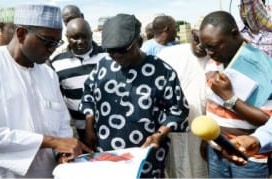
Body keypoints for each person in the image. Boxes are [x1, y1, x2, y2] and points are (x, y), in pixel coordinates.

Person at [0, 4, 91, 178]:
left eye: (57, 42)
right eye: (48, 41)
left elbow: (62, 125)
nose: (53, 49)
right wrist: (51, 142)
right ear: (21, 34)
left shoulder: (49, 74)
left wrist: (63, 153)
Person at [79, 13, 189, 178]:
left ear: (139, 42)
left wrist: (160, 134)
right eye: (111, 51)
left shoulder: (162, 72)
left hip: (146, 158)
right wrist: (89, 127)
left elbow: (178, 110)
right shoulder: (103, 65)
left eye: (122, 50)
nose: (116, 56)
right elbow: (88, 95)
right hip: (107, 156)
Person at [199, 10, 272, 178]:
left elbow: (267, 121)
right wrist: (208, 139)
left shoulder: (262, 68)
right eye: (206, 47)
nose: (209, 53)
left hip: (248, 155)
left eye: (214, 46)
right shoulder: (213, 61)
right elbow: (213, 107)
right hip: (216, 149)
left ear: (234, 34)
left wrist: (229, 98)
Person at [157, 29, 208, 178]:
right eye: (197, 40)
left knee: (200, 168)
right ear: (193, 35)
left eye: (206, 43)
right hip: (174, 127)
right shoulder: (170, 54)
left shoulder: (216, 58)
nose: (201, 46)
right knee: (176, 167)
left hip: (203, 128)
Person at [51, 18, 107, 143]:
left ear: (91, 35)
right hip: (79, 130)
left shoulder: (107, 57)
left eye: (85, 37)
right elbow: (59, 99)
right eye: (75, 38)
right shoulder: (57, 63)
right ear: (67, 37)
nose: (80, 42)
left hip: (109, 125)